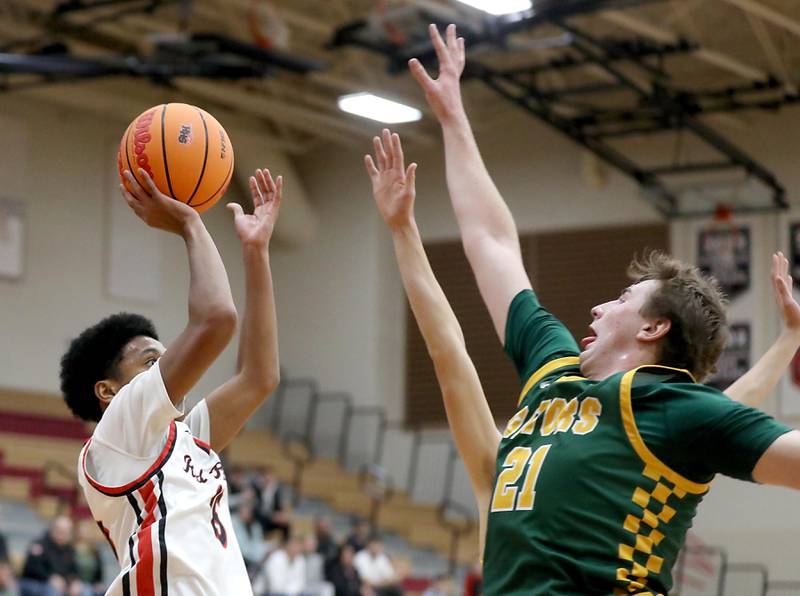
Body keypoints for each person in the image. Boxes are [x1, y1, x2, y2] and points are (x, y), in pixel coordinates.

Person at [365, 123, 800, 595]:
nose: (599, 307)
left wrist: (787, 343)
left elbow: (731, 419)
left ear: (653, 328)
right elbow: (492, 246)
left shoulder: (671, 406)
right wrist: (452, 119)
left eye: (622, 299)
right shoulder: (553, 373)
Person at [61, 166, 282, 595]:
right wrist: (189, 222)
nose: (169, 368)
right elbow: (216, 318)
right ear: (108, 391)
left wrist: (256, 252)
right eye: (150, 362)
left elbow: (259, 377)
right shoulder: (118, 433)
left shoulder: (182, 437)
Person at [19, 516, 85, 596]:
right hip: (35, 582)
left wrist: (74, 581)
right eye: (61, 532)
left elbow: (75, 569)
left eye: (67, 533)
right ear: (53, 530)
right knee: (52, 591)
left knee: (84, 591)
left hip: (61, 584)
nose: (64, 536)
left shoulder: (69, 549)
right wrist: (49, 577)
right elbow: (32, 568)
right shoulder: (39, 545)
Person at [231, 499, 271, 578]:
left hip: (254, 560)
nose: (248, 512)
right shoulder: (233, 522)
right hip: (237, 558)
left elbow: (259, 544)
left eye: (250, 510)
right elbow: (242, 548)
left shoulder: (255, 526)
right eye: (246, 509)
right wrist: (259, 556)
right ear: (240, 510)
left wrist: (266, 551)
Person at [252, 466, 291, 540]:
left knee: (286, 523)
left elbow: (279, 506)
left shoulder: (277, 490)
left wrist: (281, 515)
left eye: (270, 476)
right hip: (261, 517)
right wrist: (272, 516)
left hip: (273, 517)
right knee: (260, 522)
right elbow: (259, 508)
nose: (268, 478)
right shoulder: (259, 489)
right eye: (266, 476)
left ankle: (285, 544)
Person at [73, 522, 104, 596]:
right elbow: (70, 567)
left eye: (86, 531)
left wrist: (98, 582)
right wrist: (74, 581)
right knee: (87, 592)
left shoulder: (94, 550)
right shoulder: (72, 548)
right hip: (78, 582)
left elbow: (99, 568)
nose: (84, 534)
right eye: (82, 531)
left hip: (92, 582)